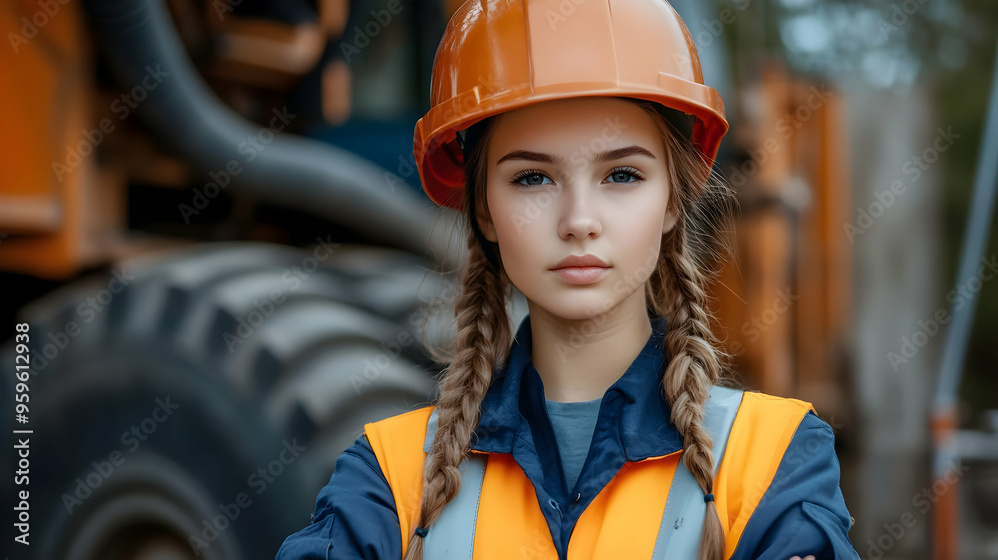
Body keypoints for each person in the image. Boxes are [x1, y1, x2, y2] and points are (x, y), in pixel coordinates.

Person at [276, 0, 860, 558]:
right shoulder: (388, 477)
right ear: (484, 210)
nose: (579, 221)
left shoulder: (774, 458)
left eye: (622, 175)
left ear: (672, 203)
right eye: (532, 178)